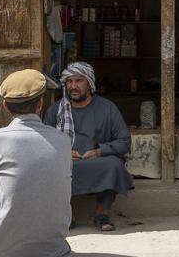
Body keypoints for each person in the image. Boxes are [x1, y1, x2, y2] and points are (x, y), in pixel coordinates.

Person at [0, 69, 72, 257]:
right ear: (40, 104)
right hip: (55, 250)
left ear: (5, 106)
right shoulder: (63, 141)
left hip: (0, 250)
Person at [44, 61, 133, 232]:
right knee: (50, 166)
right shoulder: (56, 110)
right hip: (67, 163)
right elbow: (43, 144)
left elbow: (124, 141)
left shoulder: (107, 108)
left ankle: (102, 212)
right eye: (69, 82)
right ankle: (66, 214)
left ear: (89, 84)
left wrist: (99, 151)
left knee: (114, 164)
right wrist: (64, 153)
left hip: (97, 162)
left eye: (78, 81)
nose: (73, 86)